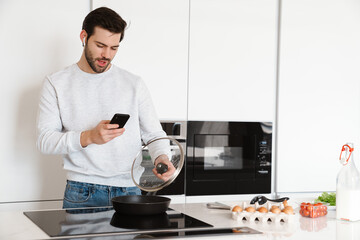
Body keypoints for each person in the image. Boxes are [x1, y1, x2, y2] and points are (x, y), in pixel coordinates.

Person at [36, 7, 175, 209]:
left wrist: (162, 157)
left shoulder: (133, 83)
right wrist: (89, 137)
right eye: (100, 45)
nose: (106, 55)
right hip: (82, 192)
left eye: (114, 48)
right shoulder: (56, 83)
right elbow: (45, 141)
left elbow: (154, 134)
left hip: (130, 190)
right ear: (84, 36)